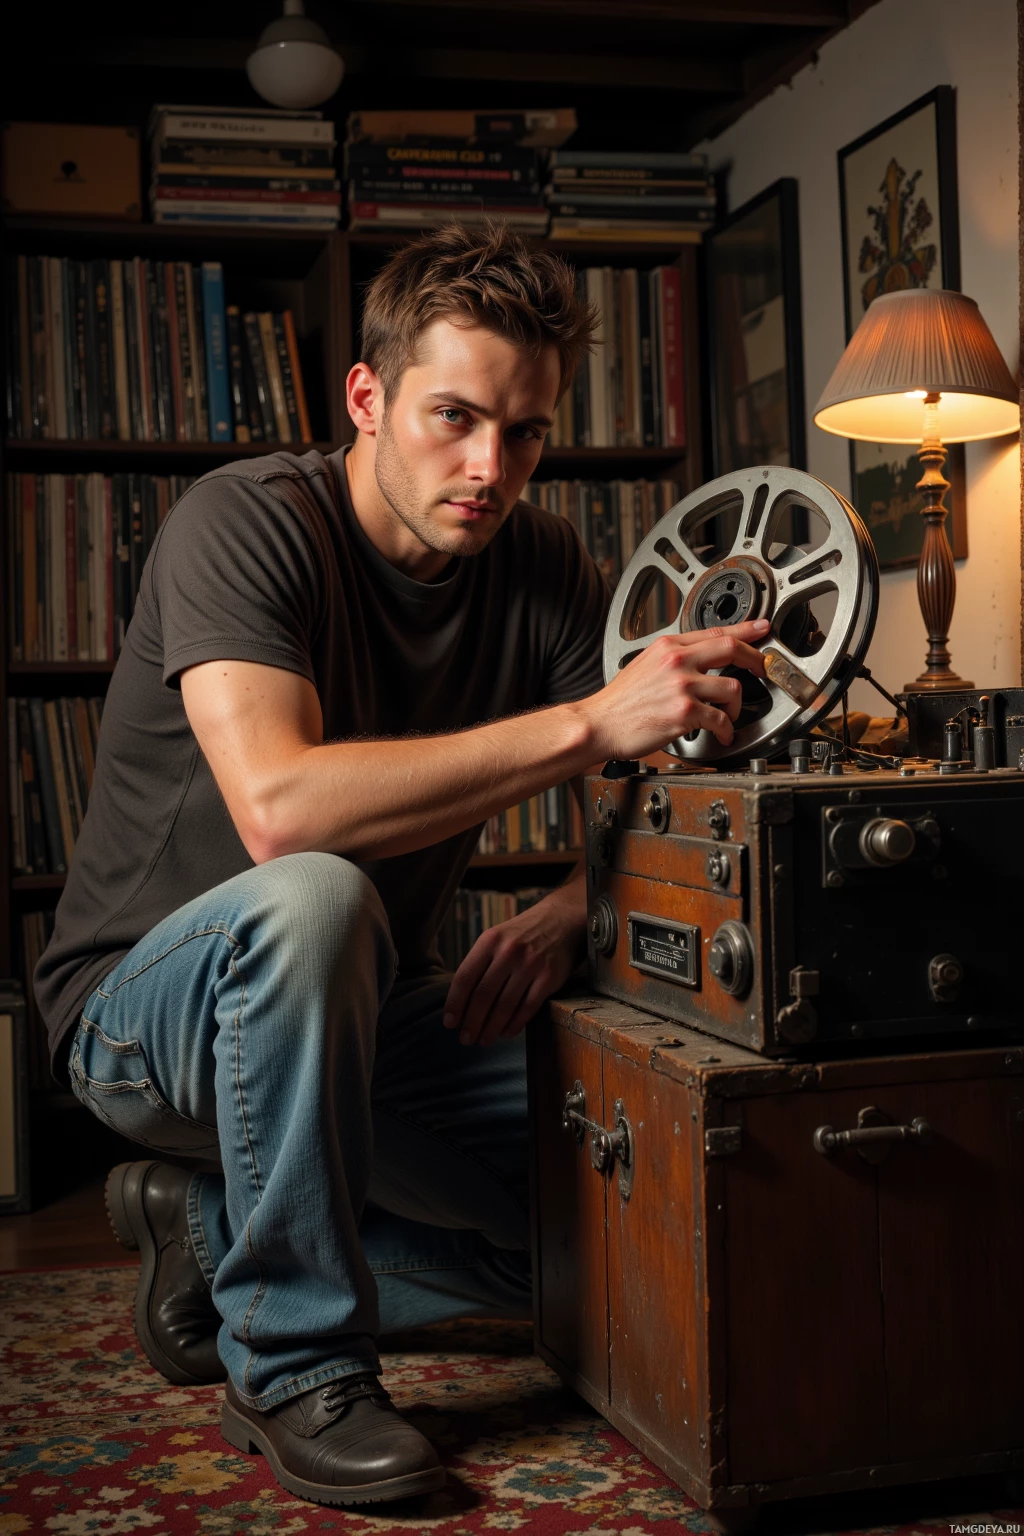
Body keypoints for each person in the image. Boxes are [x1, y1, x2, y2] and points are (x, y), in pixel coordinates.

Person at [34, 222, 769, 1508]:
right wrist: (591, 721)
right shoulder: (245, 522)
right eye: (455, 418)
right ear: (367, 398)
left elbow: (646, 821)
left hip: (371, 1014)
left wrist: (570, 908)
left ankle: (208, 1237)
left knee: (621, 1203)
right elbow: (280, 809)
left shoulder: (540, 562)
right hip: (142, 1022)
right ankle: (295, 1363)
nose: (490, 468)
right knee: (317, 894)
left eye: (524, 433)